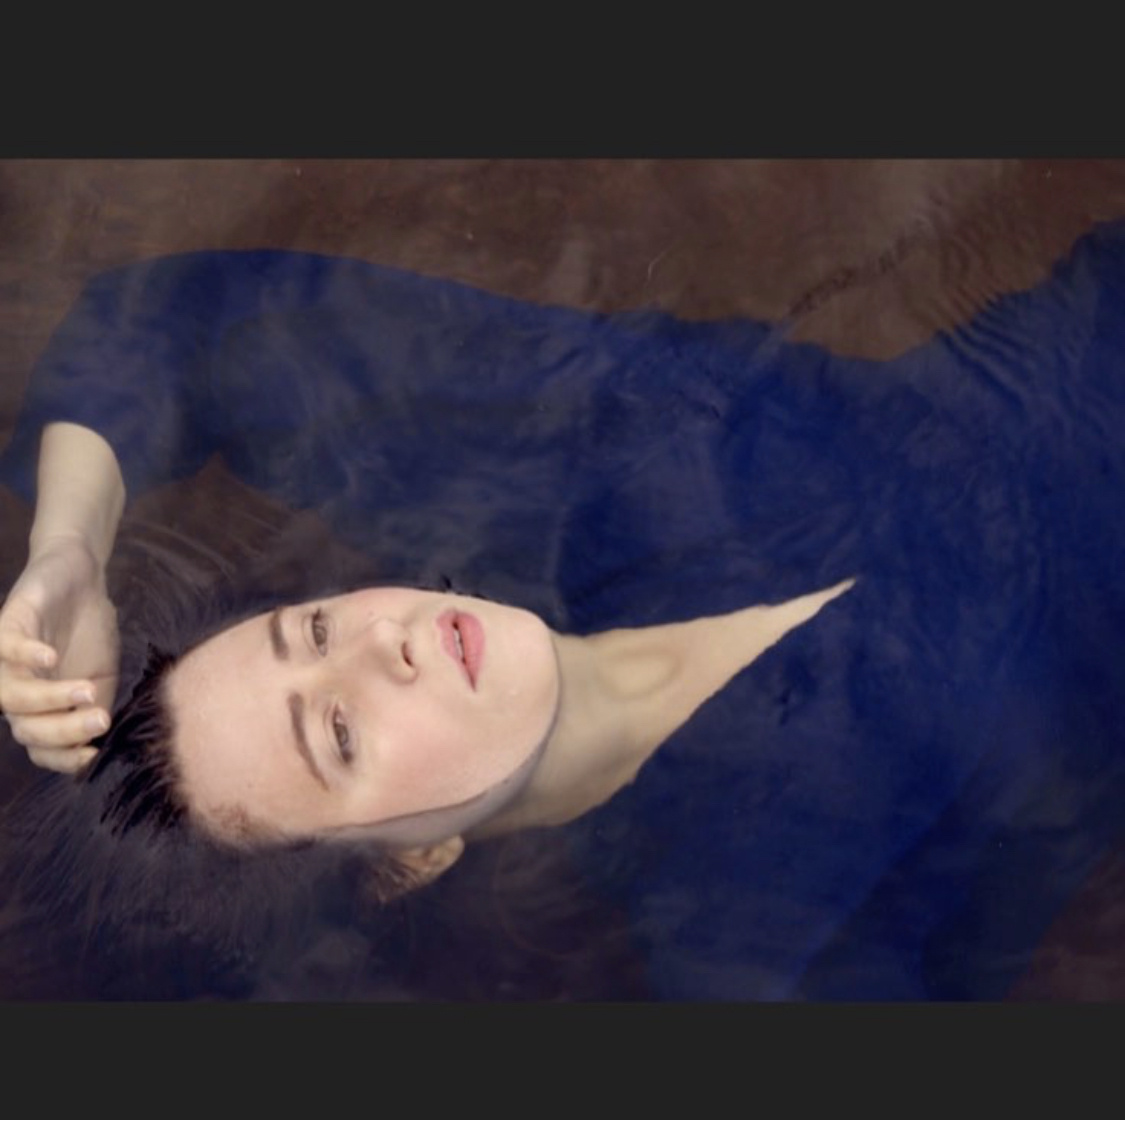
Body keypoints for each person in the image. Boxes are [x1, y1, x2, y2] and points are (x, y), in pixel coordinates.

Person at [1, 226, 1124, 999]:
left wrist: (70, 549)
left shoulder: (565, 461)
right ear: (411, 861)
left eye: (315, 630)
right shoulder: (755, 929)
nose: (385, 643)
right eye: (338, 732)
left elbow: (178, 327)